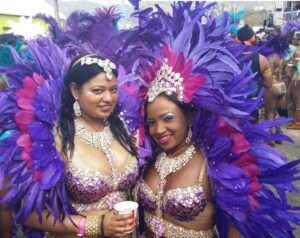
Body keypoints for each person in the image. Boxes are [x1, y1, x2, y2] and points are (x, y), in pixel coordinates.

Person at [131, 3, 300, 238]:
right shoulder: (149, 159)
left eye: (167, 118)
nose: (159, 129)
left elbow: (236, 226)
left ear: (188, 115)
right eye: (151, 122)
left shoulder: (215, 163)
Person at [0, 39, 139, 237]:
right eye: (97, 91)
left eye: (113, 90)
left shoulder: (125, 129)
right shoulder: (52, 138)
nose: (108, 98)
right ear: (75, 91)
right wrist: (95, 226)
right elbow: (28, 212)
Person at [237, 24, 274, 122]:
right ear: (252, 39)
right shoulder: (261, 59)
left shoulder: (228, 57)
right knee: (251, 132)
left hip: (232, 103)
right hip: (252, 104)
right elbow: (269, 83)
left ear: (237, 39)